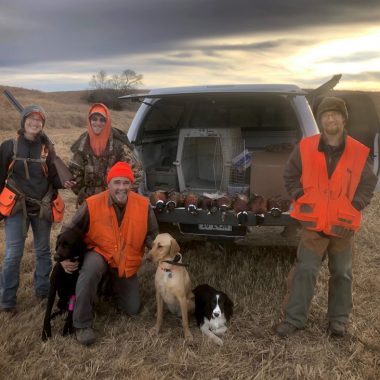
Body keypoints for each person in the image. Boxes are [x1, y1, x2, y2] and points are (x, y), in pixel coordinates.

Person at [276, 97, 378, 338]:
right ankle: (294, 319)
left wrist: (356, 204)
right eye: (325, 115)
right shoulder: (306, 147)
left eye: (335, 114)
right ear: (320, 120)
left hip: (342, 226)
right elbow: (290, 174)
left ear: (344, 119)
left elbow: (369, 183)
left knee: (342, 274)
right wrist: (300, 195)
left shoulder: (358, 151)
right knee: (305, 271)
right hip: (313, 224)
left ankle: (338, 322)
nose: (330, 118)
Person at [60, 161, 158, 346]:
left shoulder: (143, 205)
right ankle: (81, 324)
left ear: (131, 184)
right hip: (100, 254)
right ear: (109, 184)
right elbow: (68, 231)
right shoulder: (92, 204)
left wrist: (162, 253)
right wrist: (63, 258)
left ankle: (108, 286)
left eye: (126, 183)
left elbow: (152, 235)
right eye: (117, 182)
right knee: (90, 270)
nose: (122, 187)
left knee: (132, 308)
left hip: (124, 261)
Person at [0, 105, 74, 313]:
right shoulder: (9, 146)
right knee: (13, 253)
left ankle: (42, 293)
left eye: (39, 120)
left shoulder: (47, 149)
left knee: (43, 251)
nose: (34, 122)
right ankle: (7, 301)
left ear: (43, 124)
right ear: (23, 122)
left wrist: (63, 182)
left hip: (42, 206)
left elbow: (52, 176)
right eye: (30, 119)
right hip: (16, 207)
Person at [68, 103, 143, 206]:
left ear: (107, 121)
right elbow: (73, 175)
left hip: (113, 202)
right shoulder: (82, 145)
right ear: (89, 121)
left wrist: (120, 194)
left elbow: (137, 173)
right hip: (89, 202)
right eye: (94, 119)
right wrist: (83, 193)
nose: (97, 123)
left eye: (102, 120)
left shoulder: (119, 146)